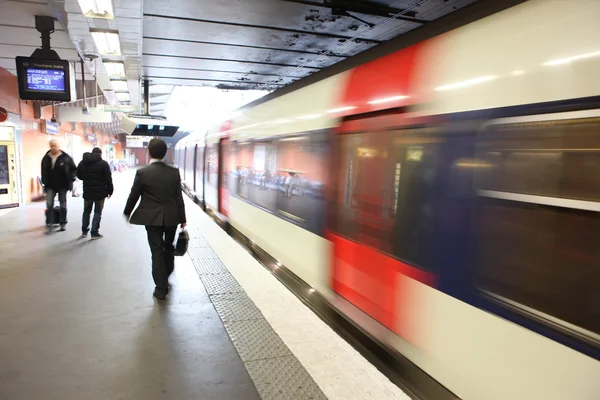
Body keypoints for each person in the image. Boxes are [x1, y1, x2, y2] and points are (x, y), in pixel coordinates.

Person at [123, 138, 187, 300]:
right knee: (168, 246)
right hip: (171, 218)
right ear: (165, 154)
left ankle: (160, 288)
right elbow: (178, 197)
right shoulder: (173, 172)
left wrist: (127, 212)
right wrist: (182, 218)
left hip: (152, 219)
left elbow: (134, 195)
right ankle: (166, 273)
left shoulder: (143, 173)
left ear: (149, 152)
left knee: (156, 251)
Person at [77, 147, 113, 240]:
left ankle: (84, 231)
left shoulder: (83, 162)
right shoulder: (104, 164)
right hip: (100, 192)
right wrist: (110, 190)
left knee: (86, 212)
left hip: (87, 191)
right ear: (100, 154)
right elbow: (108, 179)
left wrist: (87, 178)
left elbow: (79, 175)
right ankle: (94, 233)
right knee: (97, 212)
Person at [41, 139, 76, 232]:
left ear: (58, 146)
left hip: (62, 185)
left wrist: (72, 178)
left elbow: (74, 169)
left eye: (55, 146)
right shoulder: (46, 157)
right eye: (51, 146)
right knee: (49, 204)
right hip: (50, 185)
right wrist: (44, 181)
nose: (53, 148)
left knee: (63, 205)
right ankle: (50, 222)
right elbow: (43, 170)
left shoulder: (66, 158)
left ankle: (63, 223)